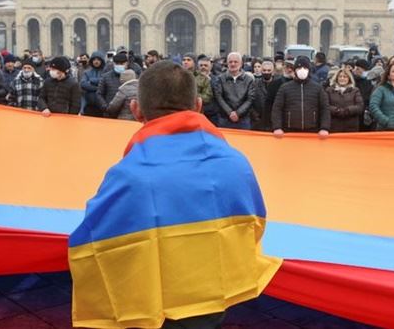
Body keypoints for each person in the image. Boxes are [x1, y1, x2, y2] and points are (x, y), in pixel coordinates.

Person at [68, 60, 279, 329]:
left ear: (135, 110)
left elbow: (95, 242)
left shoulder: (128, 175)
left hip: (155, 305)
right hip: (213, 301)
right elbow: (254, 225)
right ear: (199, 106)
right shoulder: (236, 163)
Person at [270, 56, 330, 137]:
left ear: (309, 70)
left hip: (312, 131)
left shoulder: (317, 88)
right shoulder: (285, 87)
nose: (302, 70)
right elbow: (277, 108)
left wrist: (324, 128)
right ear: (295, 70)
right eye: (299, 68)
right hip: (289, 131)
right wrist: (277, 127)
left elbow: (325, 108)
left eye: (305, 68)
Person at [213, 52, 256, 129]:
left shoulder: (249, 80)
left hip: (243, 120)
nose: (233, 64)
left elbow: (250, 99)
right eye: (230, 62)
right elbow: (218, 97)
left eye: (235, 62)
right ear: (227, 63)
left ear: (241, 63)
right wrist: (230, 112)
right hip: (224, 119)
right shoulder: (220, 79)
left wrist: (238, 113)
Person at [253, 60, 287, 132]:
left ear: (273, 71)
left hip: (275, 122)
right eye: (264, 70)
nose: (266, 72)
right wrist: (256, 117)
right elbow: (251, 100)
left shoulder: (280, 84)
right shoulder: (255, 84)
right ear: (261, 71)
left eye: (269, 70)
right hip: (258, 121)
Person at [325, 69, 363, 133]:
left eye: (345, 77)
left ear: (349, 78)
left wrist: (347, 110)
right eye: (340, 76)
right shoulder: (329, 90)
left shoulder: (355, 90)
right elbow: (325, 105)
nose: (342, 78)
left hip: (351, 127)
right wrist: (337, 111)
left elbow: (360, 107)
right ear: (337, 78)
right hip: (334, 126)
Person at [81, 51, 106, 117]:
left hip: (102, 106)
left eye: (98, 59)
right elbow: (83, 84)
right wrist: (98, 88)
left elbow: (105, 83)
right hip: (89, 105)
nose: (96, 61)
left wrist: (91, 81)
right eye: (94, 59)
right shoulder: (87, 72)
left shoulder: (106, 72)